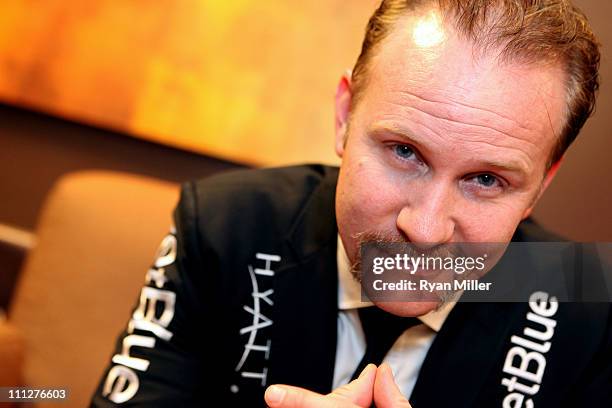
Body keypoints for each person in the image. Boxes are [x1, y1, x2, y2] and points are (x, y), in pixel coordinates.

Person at [91, 0, 610, 407]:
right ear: (345, 115)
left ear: (542, 184)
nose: (425, 229)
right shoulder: (228, 227)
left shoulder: (592, 312)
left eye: (487, 179)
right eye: (405, 152)